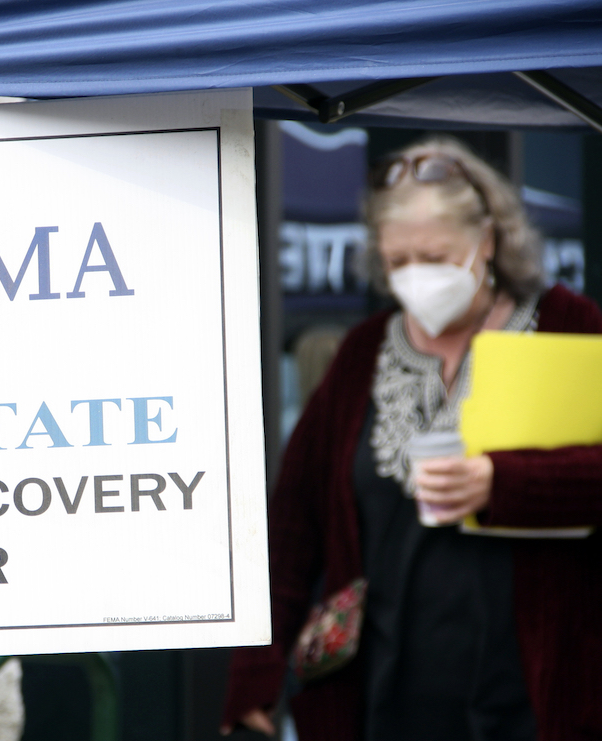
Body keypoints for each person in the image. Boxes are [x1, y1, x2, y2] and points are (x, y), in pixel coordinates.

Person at [221, 137, 602, 741]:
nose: (416, 276)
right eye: (398, 261)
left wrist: (506, 482)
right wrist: (255, 673)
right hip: (385, 689)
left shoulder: (570, 324)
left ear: (489, 241)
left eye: (435, 256)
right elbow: (293, 525)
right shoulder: (362, 351)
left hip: (538, 686)